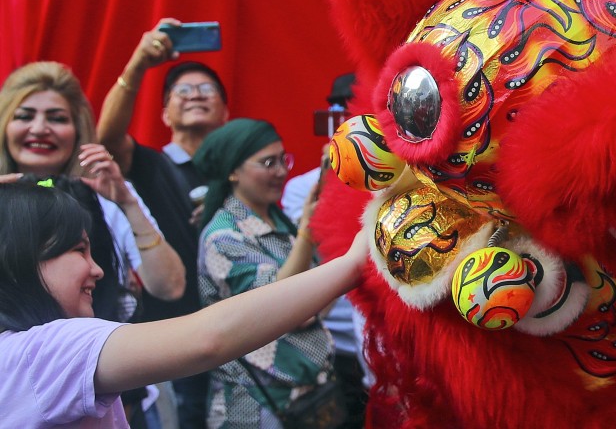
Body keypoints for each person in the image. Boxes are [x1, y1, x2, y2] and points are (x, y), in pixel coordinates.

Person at [0, 180, 367, 428]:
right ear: (17, 258)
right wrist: (352, 264)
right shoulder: (44, 352)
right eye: (79, 250)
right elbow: (210, 338)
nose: (97, 270)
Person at [1, 61, 188, 426]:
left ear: (77, 130)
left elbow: (171, 287)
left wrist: (127, 203)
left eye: (56, 118)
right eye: (26, 115)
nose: (40, 129)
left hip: (112, 395)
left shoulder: (103, 196)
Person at [98, 19, 230, 426]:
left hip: (237, 335)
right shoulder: (149, 165)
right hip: (175, 339)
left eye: (206, 90)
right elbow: (107, 138)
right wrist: (138, 63)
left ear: (226, 112)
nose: (195, 96)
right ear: (165, 112)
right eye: (182, 91)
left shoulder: (243, 176)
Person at [195, 118, 334, 428]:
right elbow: (278, 306)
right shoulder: (222, 237)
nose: (281, 171)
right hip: (253, 407)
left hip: (304, 397)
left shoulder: (278, 221)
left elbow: (315, 305)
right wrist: (307, 233)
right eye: (268, 162)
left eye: (283, 159)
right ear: (233, 171)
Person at [281, 73, 369, 429]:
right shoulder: (302, 188)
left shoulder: (403, 174)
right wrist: (332, 176)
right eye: (339, 110)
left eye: (356, 108)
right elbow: (305, 257)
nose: (348, 118)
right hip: (335, 345)